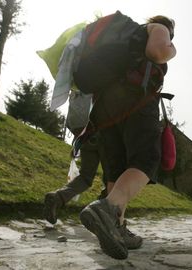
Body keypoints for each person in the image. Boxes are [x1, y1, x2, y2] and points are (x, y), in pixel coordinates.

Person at [77, 15, 176, 260]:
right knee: (146, 159)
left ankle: (116, 229)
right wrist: (171, 48)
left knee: (116, 168)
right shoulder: (158, 28)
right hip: (136, 98)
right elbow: (157, 51)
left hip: (104, 108)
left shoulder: (123, 37)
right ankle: (107, 210)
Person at [43, 133, 108, 225]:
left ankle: (57, 197)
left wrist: (77, 144)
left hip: (87, 139)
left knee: (85, 177)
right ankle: (103, 214)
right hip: (108, 139)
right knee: (111, 178)